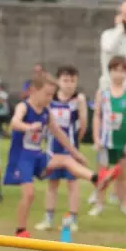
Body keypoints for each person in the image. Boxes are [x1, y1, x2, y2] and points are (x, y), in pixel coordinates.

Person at [4, 77, 119, 238]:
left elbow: (60, 134)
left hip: (37, 156)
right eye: (47, 95)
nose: (50, 99)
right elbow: (14, 123)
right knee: (29, 194)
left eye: (52, 95)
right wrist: (29, 127)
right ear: (33, 91)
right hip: (22, 158)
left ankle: (96, 179)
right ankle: (20, 230)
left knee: (66, 160)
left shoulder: (46, 112)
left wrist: (76, 153)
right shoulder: (23, 107)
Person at [36, 66, 88, 232]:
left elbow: (84, 123)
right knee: (52, 184)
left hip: (70, 150)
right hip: (52, 150)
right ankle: (48, 218)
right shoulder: (51, 100)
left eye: (73, 81)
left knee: (72, 184)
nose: (69, 84)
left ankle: (72, 219)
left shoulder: (78, 100)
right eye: (65, 80)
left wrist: (74, 146)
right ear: (58, 81)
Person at [90, 56, 126, 218]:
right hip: (106, 141)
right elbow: (97, 116)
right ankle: (99, 204)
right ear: (110, 72)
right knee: (102, 174)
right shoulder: (102, 93)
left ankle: (124, 204)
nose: (119, 74)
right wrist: (96, 138)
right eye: (115, 70)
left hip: (122, 141)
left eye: (122, 71)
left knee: (121, 175)